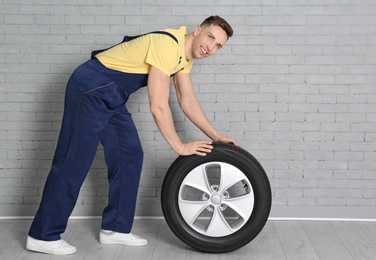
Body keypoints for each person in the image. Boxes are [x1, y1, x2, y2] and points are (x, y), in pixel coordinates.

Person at [26, 15, 238, 255]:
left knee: (130, 153)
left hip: (112, 95)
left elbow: (186, 100)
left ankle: (115, 228)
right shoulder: (168, 45)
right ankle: (42, 235)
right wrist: (179, 146)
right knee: (74, 159)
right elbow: (158, 105)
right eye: (210, 37)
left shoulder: (183, 58)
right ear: (198, 30)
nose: (211, 47)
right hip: (90, 88)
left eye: (218, 45)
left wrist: (216, 135)